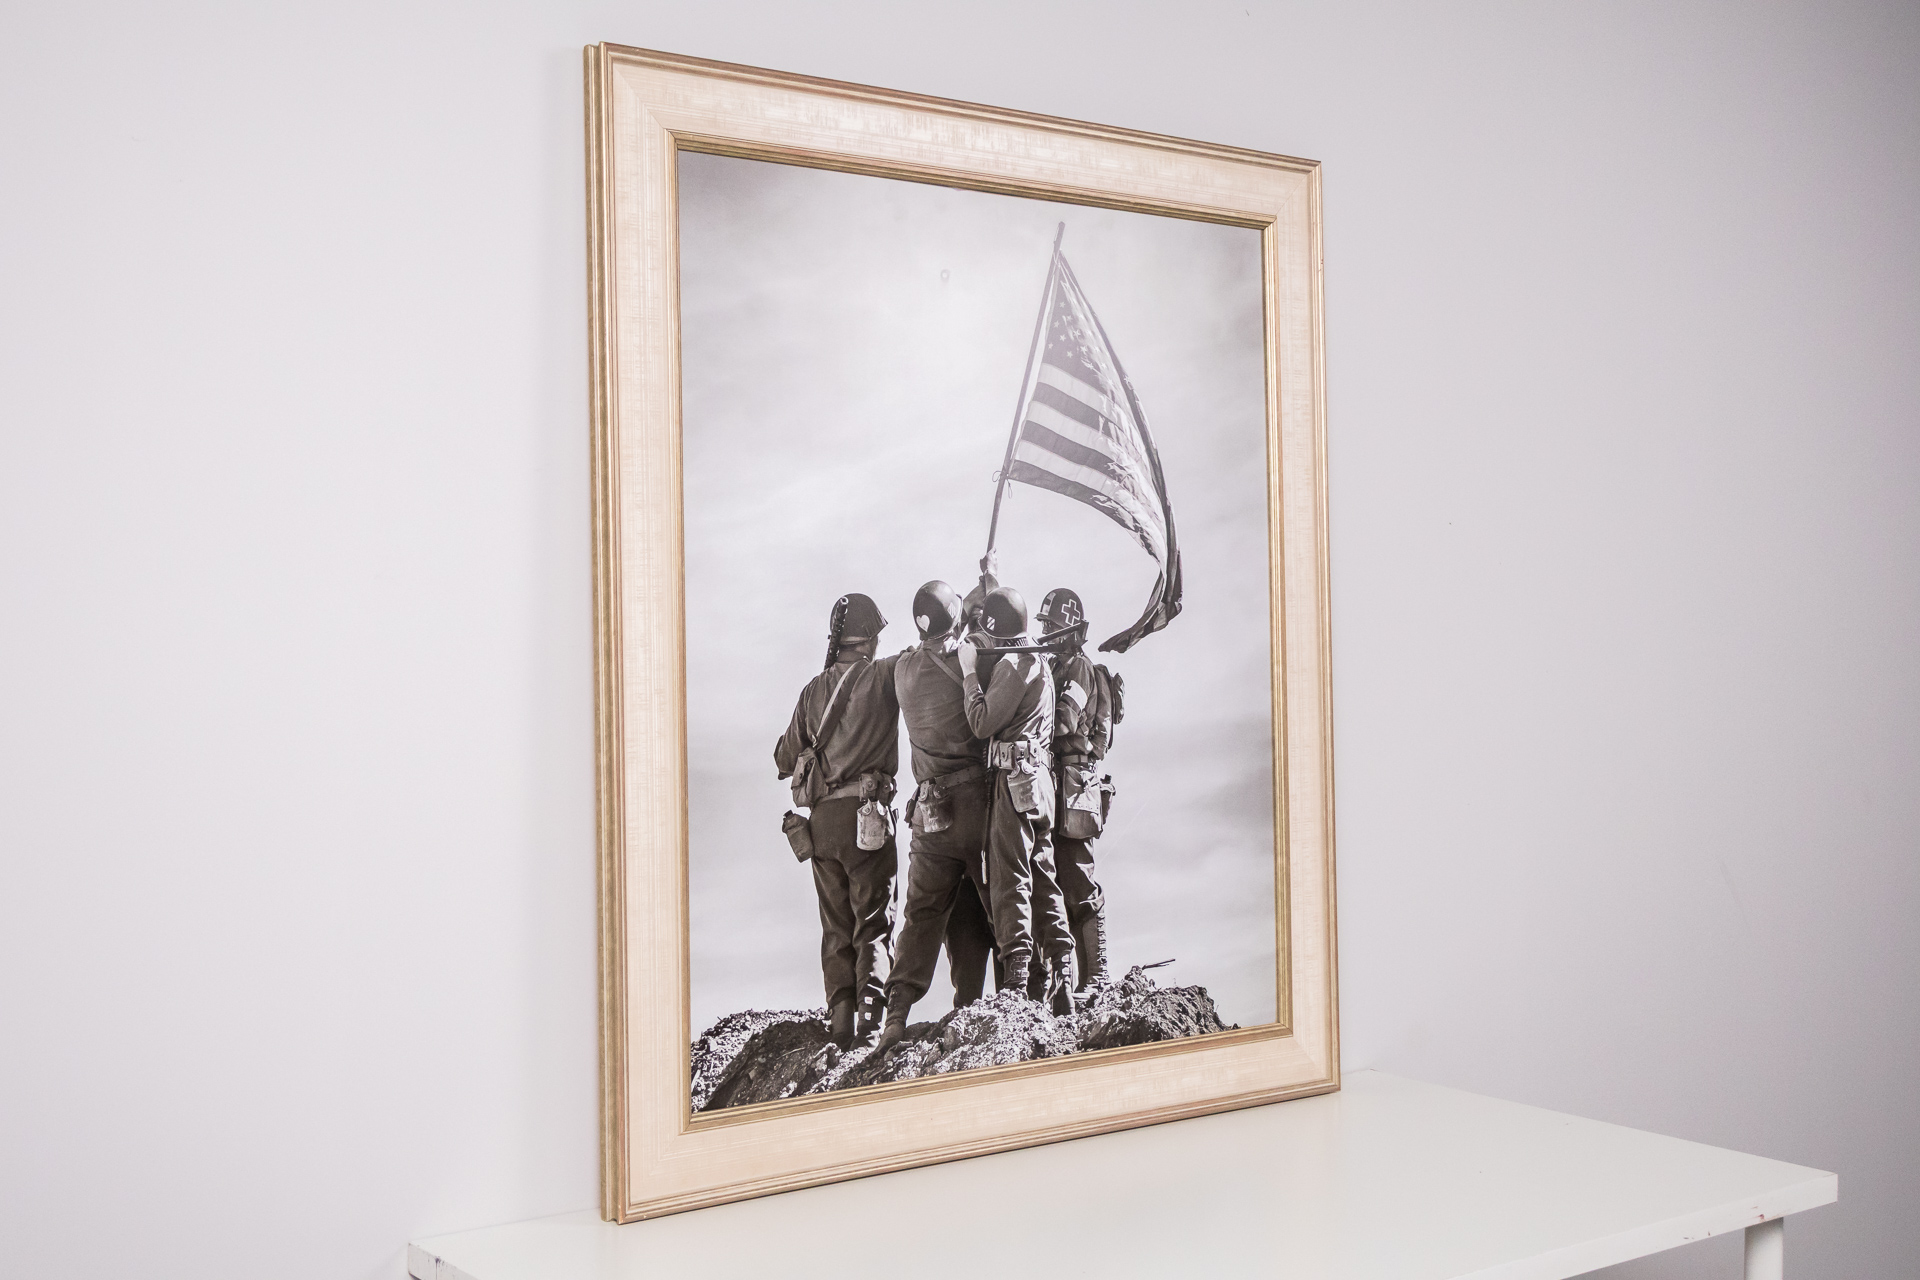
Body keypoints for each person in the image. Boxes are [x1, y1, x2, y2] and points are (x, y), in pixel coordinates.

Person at [873, 581, 998, 1047]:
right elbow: (985, 634)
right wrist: (990, 586)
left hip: (929, 816)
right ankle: (1016, 1000)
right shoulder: (971, 661)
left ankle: (895, 1016)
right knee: (1003, 904)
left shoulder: (904, 669)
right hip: (977, 807)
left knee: (921, 916)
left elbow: (947, 629)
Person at [773, 593, 900, 1049]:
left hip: (822, 824)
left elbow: (783, 757)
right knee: (873, 922)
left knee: (836, 927)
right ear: (868, 638)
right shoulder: (883, 676)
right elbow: (931, 656)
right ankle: (870, 1024)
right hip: (867, 819)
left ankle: (841, 1023)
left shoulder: (812, 691)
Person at [959, 584, 1070, 1013]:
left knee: (1011, 877)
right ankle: (1062, 973)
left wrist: (969, 673)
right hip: (1041, 782)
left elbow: (982, 722)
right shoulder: (1038, 661)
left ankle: (1016, 978)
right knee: (1044, 877)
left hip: (1015, 780)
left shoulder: (1013, 665)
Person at [1037, 587, 1115, 997]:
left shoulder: (1079, 668)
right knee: (1055, 880)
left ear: (1067, 630)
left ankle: (1097, 976)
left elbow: (1064, 720)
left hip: (1075, 783)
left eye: (1050, 626)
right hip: (1057, 782)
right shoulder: (1055, 666)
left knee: (1078, 878)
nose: (1044, 633)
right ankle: (1065, 983)